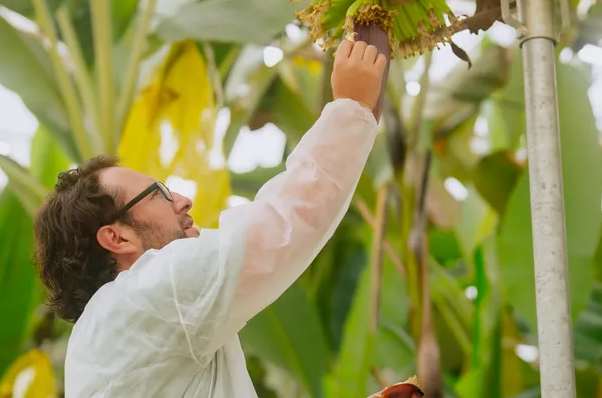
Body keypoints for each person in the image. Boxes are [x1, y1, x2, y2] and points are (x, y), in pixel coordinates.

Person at [33, 38, 388, 397]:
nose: (184, 201)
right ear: (117, 238)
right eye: (159, 195)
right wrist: (351, 106)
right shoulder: (150, 292)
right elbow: (286, 221)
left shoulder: (103, 338)